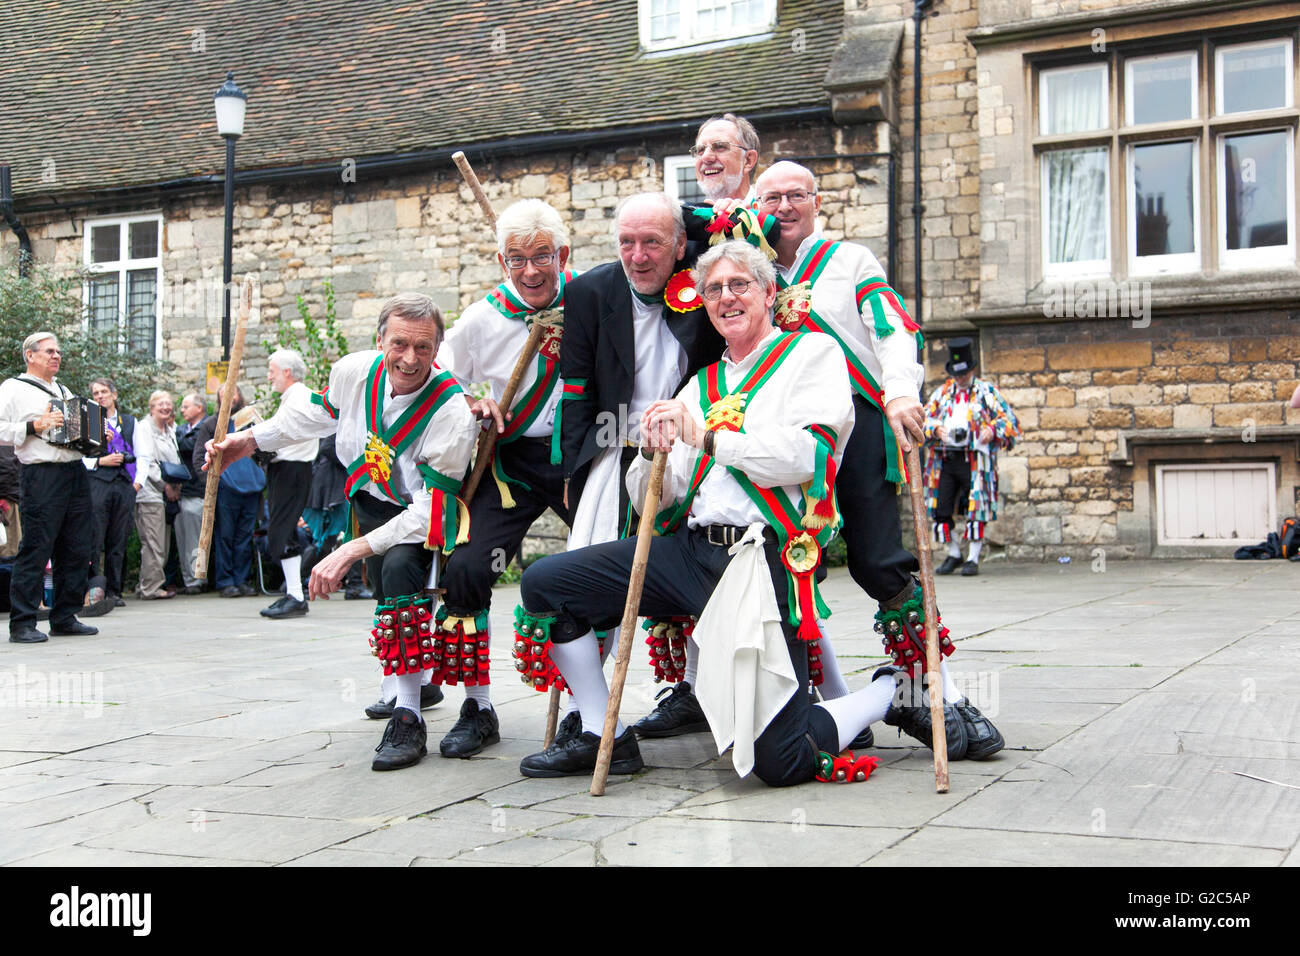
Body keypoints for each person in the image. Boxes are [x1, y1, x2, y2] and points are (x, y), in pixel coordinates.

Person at [514, 241, 896, 785]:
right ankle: (606, 734)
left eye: (739, 284)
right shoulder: (700, 385)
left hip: (761, 562)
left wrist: (705, 436)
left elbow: (806, 458)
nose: (725, 298)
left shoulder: (812, 356)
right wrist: (650, 454)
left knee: (779, 764)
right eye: (713, 289)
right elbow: (661, 494)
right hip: (691, 554)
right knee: (548, 583)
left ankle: (886, 691)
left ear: (769, 293)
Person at [752, 160, 1004, 759]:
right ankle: (834, 700)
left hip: (858, 420)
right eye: (771, 197)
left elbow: (893, 328)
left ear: (817, 202)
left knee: (878, 560)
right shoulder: (750, 268)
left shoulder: (850, 261)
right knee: (786, 561)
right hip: (787, 427)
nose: (783, 207)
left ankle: (939, 690)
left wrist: (898, 392)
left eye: (795, 195)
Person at [211, 292, 478, 772]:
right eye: (399, 344)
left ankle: (408, 717)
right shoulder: (355, 372)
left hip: (425, 514)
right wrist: (250, 440)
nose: (410, 359)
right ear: (380, 340)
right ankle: (411, 685)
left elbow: (428, 510)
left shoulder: (451, 413)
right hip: (371, 502)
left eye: (423, 347)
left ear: (438, 349)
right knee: (386, 595)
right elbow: (314, 415)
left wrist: (349, 550)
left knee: (400, 574)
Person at [541, 191, 723, 741]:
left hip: (695, 448)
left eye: (652, 242)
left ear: (679, 247)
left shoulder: (706, 284)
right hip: (615, 449)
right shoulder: (590, 291)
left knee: (694, 570)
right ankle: (587, 714)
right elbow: (575, 391)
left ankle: (690, 689)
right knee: (596, 573)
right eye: (627, 242)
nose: (638, 256)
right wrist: (573, 473)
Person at [422, 199, 577, 756]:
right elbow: (442, 381)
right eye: (517, 259)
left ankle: (583, 708)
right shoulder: (479, 320)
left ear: (564, 253)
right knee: (465, 568)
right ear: (500, 261)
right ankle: (478, 705)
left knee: (602, 559)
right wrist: (473, 400)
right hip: (506, 462)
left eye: (542, 256)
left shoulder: (591, 300)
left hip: (578, 458)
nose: (531, 271)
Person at [0, 332, 99, 643]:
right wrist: (33, 426)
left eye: (58, 351)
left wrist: (96, 434)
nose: (56, 356)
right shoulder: (13, 389)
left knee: (76, 547)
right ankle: (23, 623)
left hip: (73, 472)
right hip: (40, 475)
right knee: (36, 547)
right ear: (31, 355)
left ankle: (65, 616)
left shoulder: (63, 389)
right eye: (49, 351)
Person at [924, 337, 1020, 577]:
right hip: (946, 458)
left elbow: (1009, 420)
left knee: (977, 507)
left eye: (964, 373)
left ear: (972, 370)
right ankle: (954, 552)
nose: (961, 378)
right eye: (957, 375)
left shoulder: (987, 392)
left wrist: (992, 429)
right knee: (940, 507)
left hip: (976, 459)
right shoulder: (942, 393)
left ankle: (973, 558)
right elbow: (923, 418)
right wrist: (936, 430)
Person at [258, 349, 319, 619]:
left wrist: (256, 439)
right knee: (283, 533)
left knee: (281, 533)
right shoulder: (294, 398)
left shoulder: (300, 397)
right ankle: (294, 594)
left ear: (286, 372)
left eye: (272, 370)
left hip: (292, 470)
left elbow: (288, 431)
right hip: (286, 469)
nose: (269, 375)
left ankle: (296, 596)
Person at [192, 386, 263, 597]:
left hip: (251, 488)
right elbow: (198, 458)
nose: (230, 399)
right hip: (226, 489)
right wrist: (214, 483)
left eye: (233, 394)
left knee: (244, 536)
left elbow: (265, 451)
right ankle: (225, 581)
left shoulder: (249, 420)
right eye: (224, 395)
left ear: (239, 396)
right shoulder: (211, 425)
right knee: (225, 536)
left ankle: (241, 580)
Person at [85, 378, 137, 607]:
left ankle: (115, 591)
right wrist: (101, 461)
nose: (99, 396)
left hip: (124, 484)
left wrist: (138, 484)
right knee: (94, 539)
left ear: (114, 395)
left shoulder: (130, 422)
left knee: (119, 539)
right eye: (95, 393)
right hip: (97, 483)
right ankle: (93, 590)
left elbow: (143, 455)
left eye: (103, 392)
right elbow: (79, 458)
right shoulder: (88, 423)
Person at [132, 390, 182, 600]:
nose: (165, 407)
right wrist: (165, 486)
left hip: (166, 496)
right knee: (154, 543)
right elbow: (147, 461)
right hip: (150, 494)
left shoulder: (169, 430)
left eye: (168, 404)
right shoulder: (144, 428)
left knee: (163, 543)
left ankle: (149, 583)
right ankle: (150, 588)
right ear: (151, 407)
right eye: (160, 404)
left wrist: (176, 487)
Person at [173, 393, 208, 593]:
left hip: (197, 491)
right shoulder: (181, 430)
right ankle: (189, 579)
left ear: (199, 408)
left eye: (186, 406)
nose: (182, 410)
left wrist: (177, 439)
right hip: (182, 492)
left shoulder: (207, 427)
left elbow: (191, 445)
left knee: (196, 540)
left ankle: (197, 580)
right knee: (184, 539)